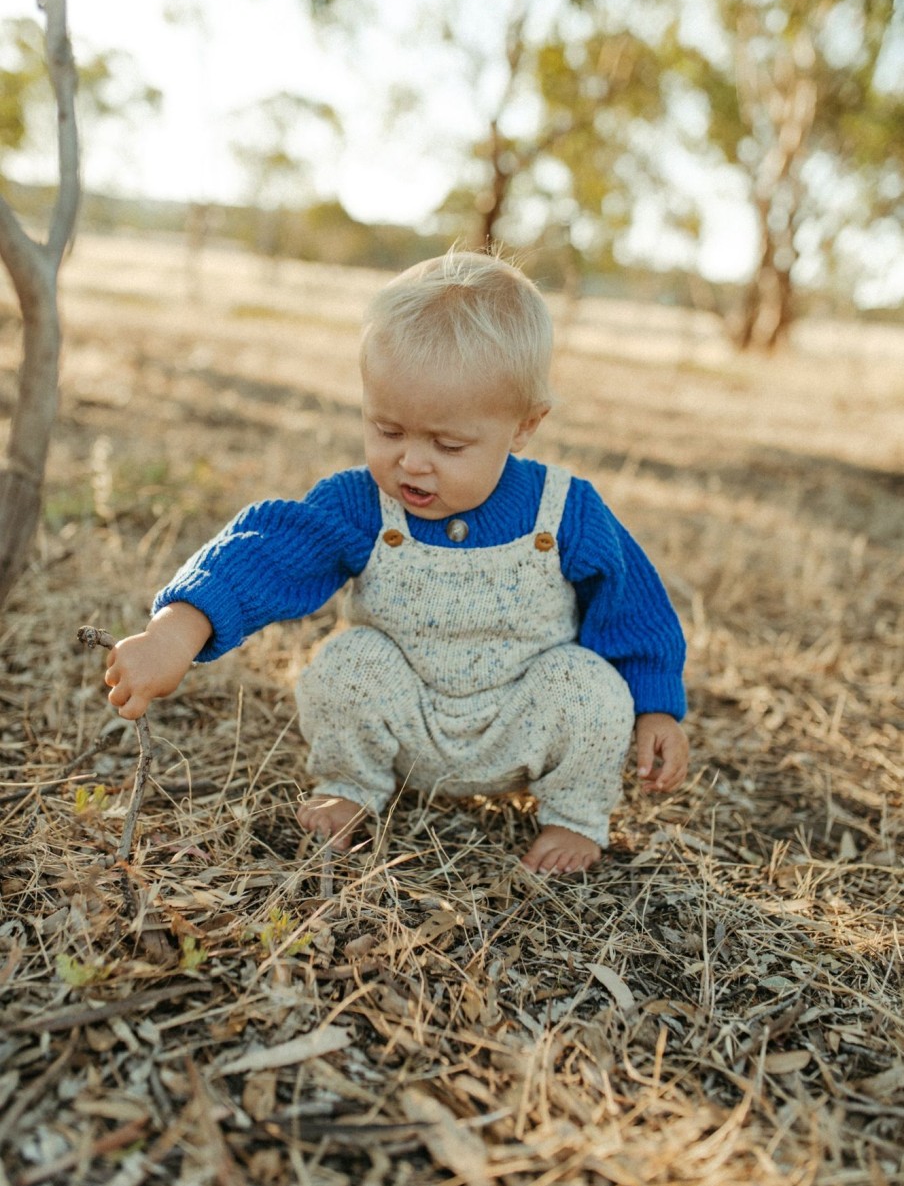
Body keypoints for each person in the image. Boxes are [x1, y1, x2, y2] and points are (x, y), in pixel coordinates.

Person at [105, 250, 689, 874]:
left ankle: (573, 816)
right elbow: (265, 553)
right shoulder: (361, 504)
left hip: (523, 721)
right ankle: (350, 788)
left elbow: (634, 607)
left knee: (589, 685)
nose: (412, 462)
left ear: (523, 427)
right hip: (404, 720)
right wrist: (177, 630)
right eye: (387, 430)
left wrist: (657, 705)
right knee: (345, 663)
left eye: (448, 444)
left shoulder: (564, 510)